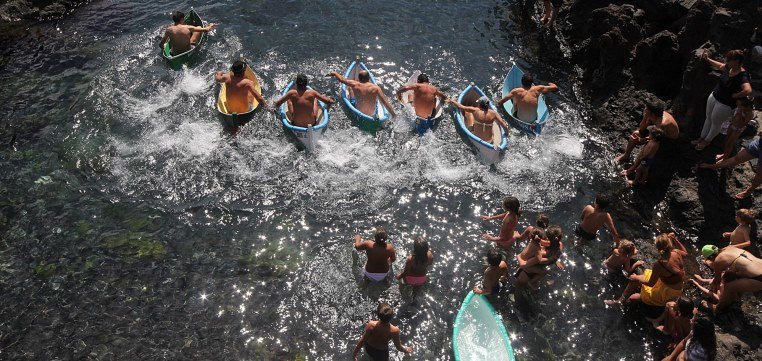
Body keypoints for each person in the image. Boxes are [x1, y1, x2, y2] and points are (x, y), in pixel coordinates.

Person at [605, 233, 687, 307]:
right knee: (641, 277)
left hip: (667, 293)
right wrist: (675, 239)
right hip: (676, 288)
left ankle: (620, 302)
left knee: (633, 295)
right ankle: (622, 300)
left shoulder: (660, 265)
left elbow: (651, 283)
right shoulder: (676, 252)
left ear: (658, 248)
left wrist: (636, 277)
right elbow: (685, 253)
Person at [694, 49, 752, 150]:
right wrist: (708, 59)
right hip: (715, 96)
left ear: (737, 61)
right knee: (708, 118)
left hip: (725, 104)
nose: (727, 61)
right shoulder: (728, 68)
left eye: (729, 60)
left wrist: (736, 95)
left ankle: (706, 141)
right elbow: (719, 66)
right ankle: (701, 137)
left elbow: (748, 90)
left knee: (715, 123)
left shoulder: (742, 75)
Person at [699, 246, 762, 312]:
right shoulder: (730, 247)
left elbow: (717, 280)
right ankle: (735, 298)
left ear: (711, 257)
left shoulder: (718, 260)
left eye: (709, 259)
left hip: (759, 278)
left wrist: (712, 286)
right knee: (737, 276)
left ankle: (717, 308)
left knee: (729, 287)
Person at [615, 99, 680, 163]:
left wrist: (640, 140)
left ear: (652, 114)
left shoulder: (662, 124)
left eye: (646, 109)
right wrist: (645, 117)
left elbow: (654, 139)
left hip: (668, 138)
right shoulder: (652, 116)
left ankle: (635, 167)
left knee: (649, 145)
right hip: (657, 130)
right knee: (635, 134)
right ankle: (626, 155)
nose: (644, 109)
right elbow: (642, 129)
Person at [328, 70, 396, 118]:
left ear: (359, 79)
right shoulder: (376, 88)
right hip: (372, 115)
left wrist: (334, 73)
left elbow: (342, 79)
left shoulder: (355, 84)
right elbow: (385, 102)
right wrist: (393, 115)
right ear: (369, 79)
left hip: (358, 111)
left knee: (350, 88)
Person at [716, 97, 755, 162]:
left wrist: (740, 114)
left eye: (741, 106)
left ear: (747, 107)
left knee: (730, 143)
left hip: (737, 129)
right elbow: (734, 115)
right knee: (726, 140)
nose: (740, 107)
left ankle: (725, 158)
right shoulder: (741, 109)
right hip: (732, 125)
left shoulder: (750, 113)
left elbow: (743, 124)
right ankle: (724, 154)